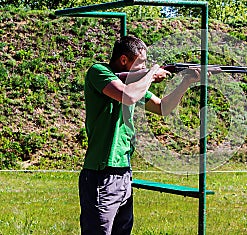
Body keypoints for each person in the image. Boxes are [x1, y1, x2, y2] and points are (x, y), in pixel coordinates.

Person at [79, 35, 201, 235]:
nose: (144, 67)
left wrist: (186, 82)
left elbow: (162, 108)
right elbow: (128, 96)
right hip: (101, 173)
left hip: (124, 171)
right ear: (124, 60)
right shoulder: (98, 72)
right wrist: (152, 74)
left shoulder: (135, 84)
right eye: (141, 62)